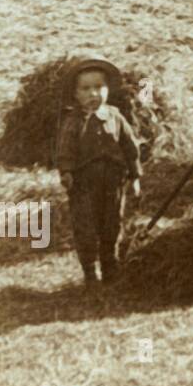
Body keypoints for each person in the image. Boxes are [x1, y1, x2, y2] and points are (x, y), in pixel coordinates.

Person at [55, 55, 142, 286]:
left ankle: (110, 266)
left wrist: (134, 175)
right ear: (75, 93)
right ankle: (90, 271)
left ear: (108, 89)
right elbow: (65, 150)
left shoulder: (115, 116)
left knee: (112, 223)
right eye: (85, 88)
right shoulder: (73, 121)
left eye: (98, 87)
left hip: (113, 182)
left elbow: (129, 146)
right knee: (86, 226)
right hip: (84, 185)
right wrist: (66, 172)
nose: (93, 94)